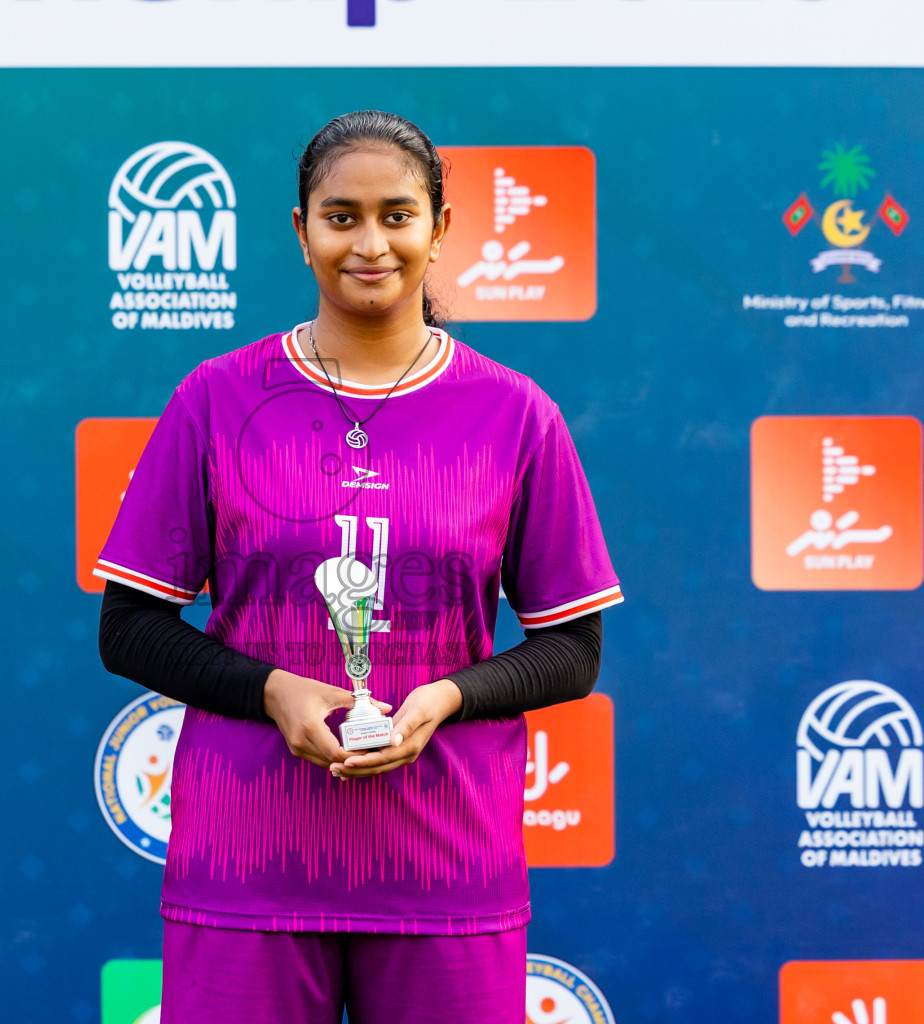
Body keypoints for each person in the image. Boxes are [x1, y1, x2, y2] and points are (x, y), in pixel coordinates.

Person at [95, 110, 621, 1023]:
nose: (370, 243)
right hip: (248, 863)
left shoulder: (516, 415)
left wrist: (446, 698)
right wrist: (271, 691)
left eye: (397, 214)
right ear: (300, 233)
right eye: (341, 217)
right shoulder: (216, 398)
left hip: (445, 862)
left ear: (440, 229)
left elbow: (574, 649)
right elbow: (129, 629)